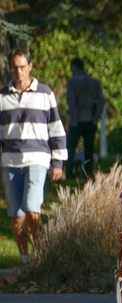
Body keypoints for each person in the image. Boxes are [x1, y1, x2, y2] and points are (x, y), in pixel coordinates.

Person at [0, 48, 67, 264]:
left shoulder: (45, 93)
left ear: (30, 66)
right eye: (14, 67)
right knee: (16, 214)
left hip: (37, 159)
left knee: (32, 206)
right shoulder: (2, 97)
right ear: (10, 68)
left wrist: (57, 162)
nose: (18, 71)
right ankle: (26, 259)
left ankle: (40, 255)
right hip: (9, 161)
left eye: (22, 66)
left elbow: (56, 129)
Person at [66, 58, 105, 179]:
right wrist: (96, 117)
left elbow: (71, 102)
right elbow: (101, 101)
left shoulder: (72, 82)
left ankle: (69, 173)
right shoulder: (94, 82)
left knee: (71, 148)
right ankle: (88, 173)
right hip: (90, 120)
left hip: (76, 121)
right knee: (89, 149)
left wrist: (73, 119)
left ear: (74, 67)